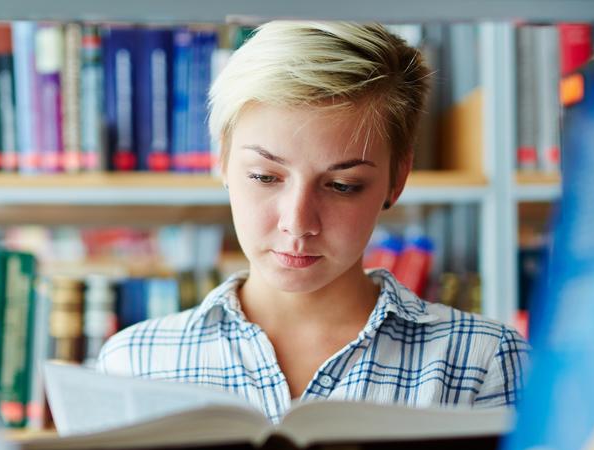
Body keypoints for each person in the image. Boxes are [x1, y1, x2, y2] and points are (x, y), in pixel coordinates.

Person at [97, 21, 529, 424]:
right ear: (223, 161)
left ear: (396, 179)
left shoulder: (484, 360)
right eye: (265, 177)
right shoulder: (133, 364)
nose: (298, 223)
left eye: (342, 185)